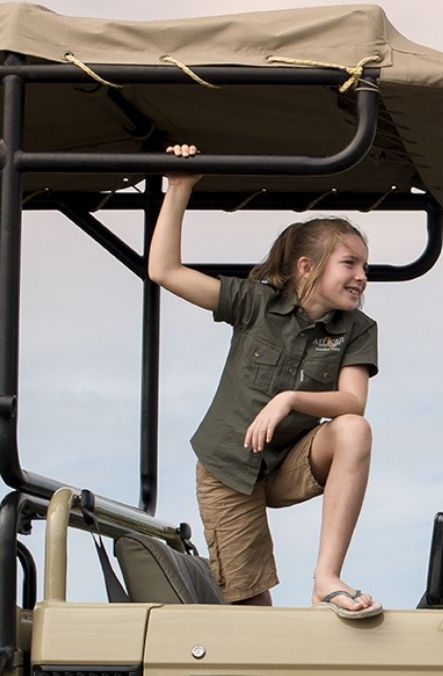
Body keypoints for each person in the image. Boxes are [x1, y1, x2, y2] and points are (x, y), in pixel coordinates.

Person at [146, 144, 381, 618]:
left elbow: (352, 403)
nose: (361, 276)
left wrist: (289, 398)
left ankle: (326, 579)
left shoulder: (358, 329)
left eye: (364, 267)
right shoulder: (254, 304)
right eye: (350, 264)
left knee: (354, 430)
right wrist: (180, 188)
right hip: (230, 468)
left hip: (290, 462)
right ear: (306, 268)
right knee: (254, 613)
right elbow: (163, 271)